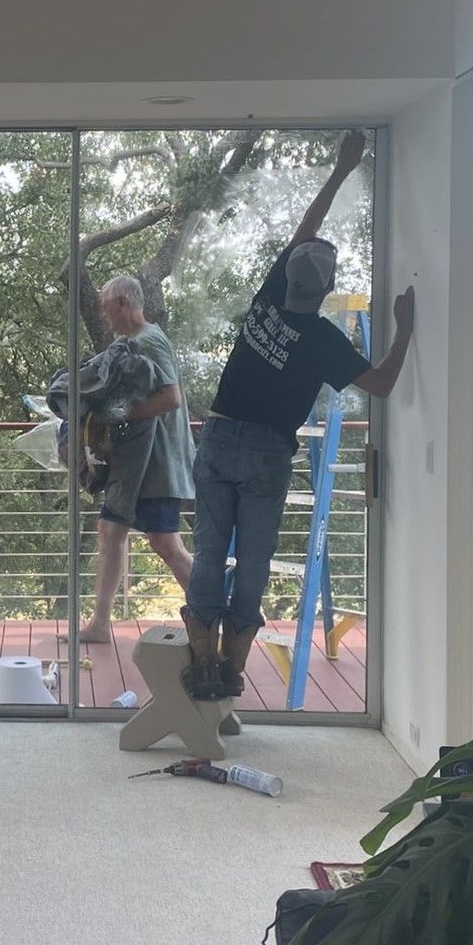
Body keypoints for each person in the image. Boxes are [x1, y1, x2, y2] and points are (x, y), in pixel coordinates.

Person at [181, 130, 414, 700]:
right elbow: (381, 384)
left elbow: (304, 232)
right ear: (328, 288)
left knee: (211, 551)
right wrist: (406, 328)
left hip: (217, 435)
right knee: (254, 557)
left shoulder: (266, 297)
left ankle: (201, 658)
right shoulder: (323, 341)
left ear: (288, 275)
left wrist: (340, 169)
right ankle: (233, 665)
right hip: (266, 451)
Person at [79, 273, 197, 644]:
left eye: (104, 307)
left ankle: (213, 616)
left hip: (158, 463)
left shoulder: (150, 341)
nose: (102, 315)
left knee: (166, 544)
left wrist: (118, 415)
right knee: (110, 531)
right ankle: (100, 624)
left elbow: (171, 399)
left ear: (122, 304)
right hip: (134, 465)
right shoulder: (129, 343)